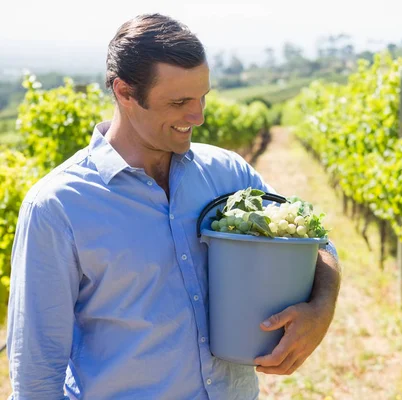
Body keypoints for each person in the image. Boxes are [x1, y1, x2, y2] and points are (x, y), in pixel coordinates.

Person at [7, 13, 341, 399]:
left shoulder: (229, 174)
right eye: (179, 101)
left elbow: (317, 244)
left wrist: (322, 308)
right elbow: (36, 373)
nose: (197, 116)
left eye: (202, 98)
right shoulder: (57, 207)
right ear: (125, 92)